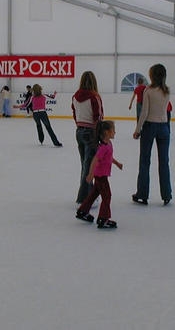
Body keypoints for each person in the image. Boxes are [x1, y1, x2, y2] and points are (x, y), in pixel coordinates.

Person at [132, 63, 172, 206]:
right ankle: (167, 194)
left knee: (144, 161)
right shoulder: (167, 91)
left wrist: (137, 130)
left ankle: (142, 194)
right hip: (164, 127)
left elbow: (144, 112)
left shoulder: (148, 91)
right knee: (164, 162)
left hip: (149, 126)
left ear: (152, 75)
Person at [75, 120, 123, 229]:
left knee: (94, 194)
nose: (115, 132)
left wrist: (117, 163)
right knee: (107, 195)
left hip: (102, 175)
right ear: (106, 132)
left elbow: (109, 157)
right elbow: (95, 160)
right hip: (100, 176)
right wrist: (91, 174)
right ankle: (103, 218)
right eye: (113, 130)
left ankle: (82, 211)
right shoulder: (103, 147)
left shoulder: (108, 144)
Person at [72, 70, 104, 204]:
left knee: (85, 165)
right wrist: (100, 134)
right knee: (89, 167)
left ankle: (89, 194)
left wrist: (80, 126)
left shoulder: (75, 96)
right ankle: (84, 199)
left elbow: (74, 114)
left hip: (79, 132)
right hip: (91, 133)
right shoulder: (94, 96)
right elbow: (99, 117)